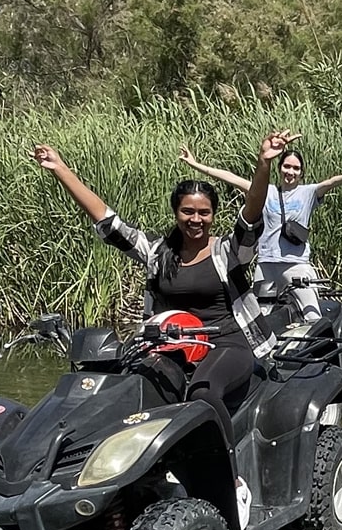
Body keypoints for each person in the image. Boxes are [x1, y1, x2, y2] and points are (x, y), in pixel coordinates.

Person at [31, 131, 294, 426]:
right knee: (126, 391)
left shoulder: (228, 252)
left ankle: (228, 471)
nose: (196, 219)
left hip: (227, 343)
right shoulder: (158, 252)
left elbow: (251, 216)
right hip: (171, 346)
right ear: (176, 213)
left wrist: (263, 164)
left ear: (213, 216)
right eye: (188, 212)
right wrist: (61, 169)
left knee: (202, 395)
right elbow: (107, 221)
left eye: (204, 213)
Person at [178, 144, 342, 323]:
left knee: (313, 317)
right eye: (287, 166)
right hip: (266, 264)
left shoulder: (308, 193)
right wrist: (195, 164)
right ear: (279, 168)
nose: (290, 172)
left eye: (296, 168)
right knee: (261, 318)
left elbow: (332, 182)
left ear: (301, 173)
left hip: (296, 265)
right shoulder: (265, 192)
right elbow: (231, 178)